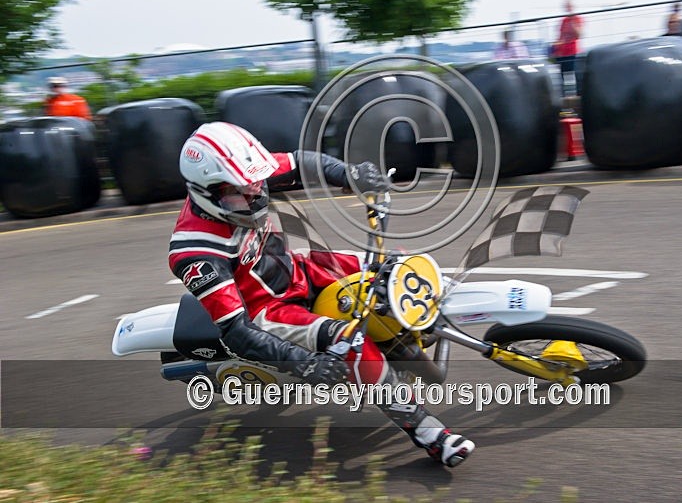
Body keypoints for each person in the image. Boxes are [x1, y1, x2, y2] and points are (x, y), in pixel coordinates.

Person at [169, 122, 475, 467]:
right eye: (238, 192)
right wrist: (306, 364)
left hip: (298, 268)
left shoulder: (243, 171)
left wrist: (350, 174)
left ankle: (414, 335)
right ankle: (428, 432)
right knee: (351, 343)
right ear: (204, 191)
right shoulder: (194, 251)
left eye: (255, 185)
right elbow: (238, 331)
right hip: (268, 308)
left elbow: (301, 163)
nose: (254, 195)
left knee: (393, 266)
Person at [552, 0, 584, 96]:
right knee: (561, 78)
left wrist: (572, 21)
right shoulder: (563, 21)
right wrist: (556, 47)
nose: (568, 9)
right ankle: (563, 96)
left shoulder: (577, 19)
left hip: (573, 52)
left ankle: (578, 95)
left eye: (569, 7)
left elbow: (578, 35)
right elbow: (560, 36)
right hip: (562, 53)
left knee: (575, 76)